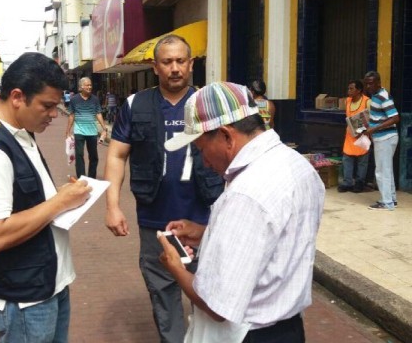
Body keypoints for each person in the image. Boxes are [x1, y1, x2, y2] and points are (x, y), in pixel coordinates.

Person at [159, 81, 325, 342]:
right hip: (289, 328)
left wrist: (175, 267)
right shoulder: (299, 167)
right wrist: (207, 234)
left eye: (201, 148)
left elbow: (216, 305)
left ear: (226, 136)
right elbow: (272, 241)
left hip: (249, 334)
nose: (204, 160)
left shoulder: (245, 192)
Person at [0, 52, 92, 342]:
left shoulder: (20, 131)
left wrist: (62, 197)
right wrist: (60, 202)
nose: (54, 115)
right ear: (17, 97)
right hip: (23, 297)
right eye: (47, 106)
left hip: (44, 284)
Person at [104, 34, 224, 342]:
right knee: (163, 294)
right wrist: (113, 205)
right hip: (155, 221)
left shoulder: (209, 103)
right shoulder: (135, 105)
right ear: (155, 66)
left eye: (180, 61)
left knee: (212, 295)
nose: (174, 68)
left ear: (191, 64)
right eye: (167, 62)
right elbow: (117, 154)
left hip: (205, 218)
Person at [364, 71, 400, 211]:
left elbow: (395, 117)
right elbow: (380, 117)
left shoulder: (382, 96)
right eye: (366, 83)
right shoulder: (376, 95)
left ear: (379, 82)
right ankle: (391, 199)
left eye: (371, 83)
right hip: (383, 137)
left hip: (385, 138)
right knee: (387, 170)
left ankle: (386, 203)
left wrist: (374, 129)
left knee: (381, 171)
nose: (368, 86)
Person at [65, 77, 107, 179]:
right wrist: (68, 130)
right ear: (81, 87)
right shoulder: (74, 99)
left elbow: (98, 113)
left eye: (90, 85)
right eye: (87, 85)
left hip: (92, 132)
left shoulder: (95, 99)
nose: (89, 87)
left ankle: (92, 177)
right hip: (79, 131)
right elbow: (71, 115)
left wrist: (104, 127)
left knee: (93, 156)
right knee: (79, 155)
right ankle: (81, 177)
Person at [339, 80, 371, 193]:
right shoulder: (347, 101)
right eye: (349, 88)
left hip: (362, 134)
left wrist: (361, 130)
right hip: (350, 134)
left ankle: (359, 183)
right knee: (347, 158)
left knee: (362, 160)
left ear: (359, 90)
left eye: (351, 89)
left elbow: (371, 118)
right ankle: (347, 182)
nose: (349, 91)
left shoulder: (367, 101)